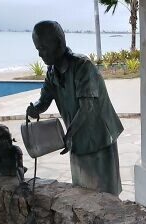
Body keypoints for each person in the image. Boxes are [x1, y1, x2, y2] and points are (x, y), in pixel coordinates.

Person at [26, 20, 123, 195]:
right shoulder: (51, 72)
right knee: (82, 189)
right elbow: (44, 99)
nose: (40, 54)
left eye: (43, 48)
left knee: (105, 191)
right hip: (77, 136)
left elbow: (87, 107)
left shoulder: (83, 66)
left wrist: (69, 135)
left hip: (99, 137)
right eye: (37, 49)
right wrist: (36, 108)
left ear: (58, 43)